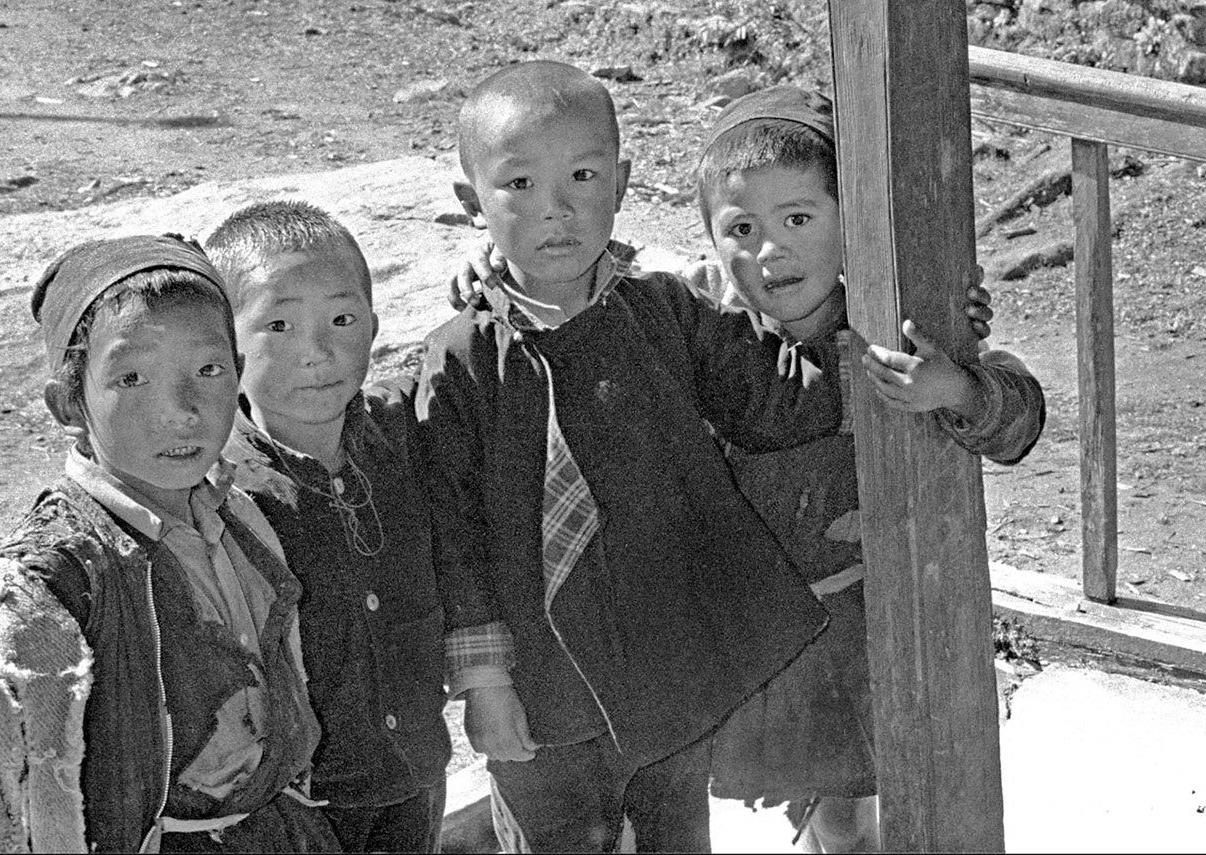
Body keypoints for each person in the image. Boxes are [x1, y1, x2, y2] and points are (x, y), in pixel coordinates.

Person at [415, 60, 972, 854]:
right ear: (474, 203)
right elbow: (455, 535)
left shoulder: (663, 310)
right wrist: (483, 680)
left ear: (621, 183)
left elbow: (773, 399)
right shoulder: (462, 358)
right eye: (520, 185)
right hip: (541, 691)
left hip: (670, 675)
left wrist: (909, 331)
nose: (556, 209)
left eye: (582, 177)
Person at [691, 86, 1046, 853]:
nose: (770, 251)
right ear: (711, 240)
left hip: (871, 632)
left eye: (798, 219)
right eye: (742, 228)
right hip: (766, 641)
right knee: (823, 810)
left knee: (862, 810)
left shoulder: (894, 327)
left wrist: (956, 385)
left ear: (850, 220)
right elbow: (597, 302)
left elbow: (1016, 420)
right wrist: (496, 276)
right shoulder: (708, 332)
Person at [0, 236, 337, 853]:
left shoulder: (239, 514)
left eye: (208, 371)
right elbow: (0, 743)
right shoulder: (56, 573)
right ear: (68, 404)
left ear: (239, 371)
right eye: (132, 378)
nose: (181, 411)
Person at [207, 201, 452, 852]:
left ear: (374, 327)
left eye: (342, 320)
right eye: (279, 325)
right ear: (226, 346)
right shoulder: (215, 490)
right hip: (300, 807)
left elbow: (478, 358)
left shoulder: (405, 429)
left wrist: (493, 277)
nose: (317, 353)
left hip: (415, 774)